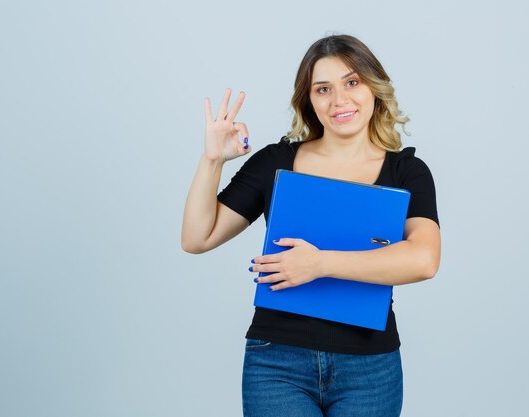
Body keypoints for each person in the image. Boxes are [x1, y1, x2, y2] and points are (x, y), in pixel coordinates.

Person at [181, 34, 441, 417]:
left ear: (374, 86)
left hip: (369, 367)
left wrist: (319, 264)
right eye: (323, 89)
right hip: (277, 363)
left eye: (352, 82)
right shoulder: (276, 162)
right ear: (310, 100)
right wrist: (212, 160)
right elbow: (196, 238)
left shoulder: (406, 171)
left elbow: (424, 260)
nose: (340, 100)